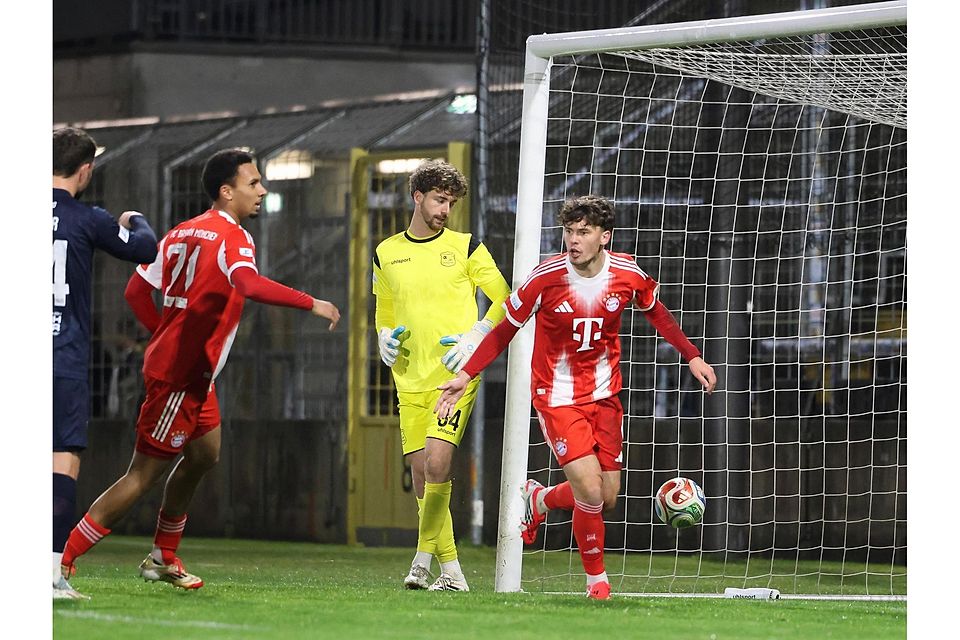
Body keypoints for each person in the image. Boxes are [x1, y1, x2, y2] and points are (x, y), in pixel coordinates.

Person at [59, 148, 341, 592]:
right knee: (143, 475)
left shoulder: (180, 232)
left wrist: (164, 334)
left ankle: (162, 556)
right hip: (180, 376)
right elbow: (247, 283)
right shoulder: (234, 238)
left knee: (204, 455)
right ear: (227, 192)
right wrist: (313, 302)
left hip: (192, 374)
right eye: (253, 183)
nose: (262, 190)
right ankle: (63, 559)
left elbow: (136, 291)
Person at [435, 195, 717, 600]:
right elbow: (504, 330)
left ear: (605, 237)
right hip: (557, 397)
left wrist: (691, 356)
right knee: (588, 490)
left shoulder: (627, 273)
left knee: (607, 495)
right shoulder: (544, 277)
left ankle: (541, 499)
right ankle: (597, 584)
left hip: (606, 397)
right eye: (569, 231)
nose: (573, 239)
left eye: (583, 232)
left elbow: (657, 311)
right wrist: (465, 373)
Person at [373, 159, 510, 591]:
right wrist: (381, 336)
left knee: (437, 463)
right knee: (420, 477)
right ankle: (451, 572)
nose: (445, 209)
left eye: (450, 203)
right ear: (418, 196)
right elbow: (385, 308)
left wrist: (477, 334)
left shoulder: (467, 247)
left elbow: (505, 297)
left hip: (455, 376)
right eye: (438, 199)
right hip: (408, 378)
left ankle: (420, 560)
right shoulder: (386, 252)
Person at [53, 127, 159, 600]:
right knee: (60, 465)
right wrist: (134, 217)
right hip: (63, 357)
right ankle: (48, 576)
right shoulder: (87, 218)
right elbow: (144, 248)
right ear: (86, 169)